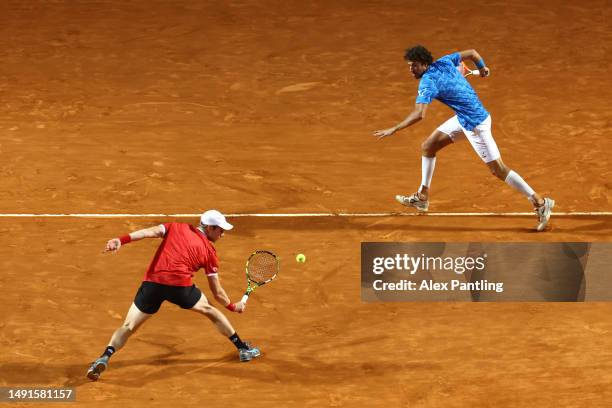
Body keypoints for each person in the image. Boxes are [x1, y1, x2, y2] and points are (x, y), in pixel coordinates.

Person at [373, 45, 554, 231]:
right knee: (428, 146)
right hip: (465, 117)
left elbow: (420, 114)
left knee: (498, 170)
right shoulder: (444, 61)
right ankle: (422, 197)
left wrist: (394, 128)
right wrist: (482, 67)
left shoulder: (427, 82)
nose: (411, 69)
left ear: (425, 64)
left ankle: (540, 203)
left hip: (475, 124)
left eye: (415, 65)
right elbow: (472, 53)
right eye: (410, 66)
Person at [86, 210, 260, 381]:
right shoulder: (209, 252)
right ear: (209, 228)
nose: (223, 234)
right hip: (180, 287)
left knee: (128, 326)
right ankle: (242, 348)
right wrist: (232, 306)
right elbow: (217, 292)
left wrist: (120, 240)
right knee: (210, 310)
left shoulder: (176, 227)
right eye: (220, 229)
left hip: (153, 284)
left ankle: (104, 357)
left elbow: (149, 232)